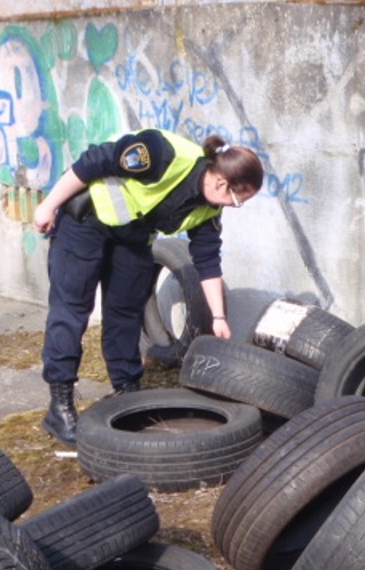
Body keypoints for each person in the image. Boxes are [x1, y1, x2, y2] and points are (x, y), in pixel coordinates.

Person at [32, 130, 264, 446]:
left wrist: (219, 317)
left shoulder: (209, 208)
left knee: (126, 313)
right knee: (71, 311)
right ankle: (60, 405)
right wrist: (48, 206)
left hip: (133, 236)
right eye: (240, 199)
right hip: (86, 222)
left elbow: (207, 259)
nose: (237, 206)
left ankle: (127, 392)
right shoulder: (161, 153)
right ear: (222, 183)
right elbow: (92, 162)